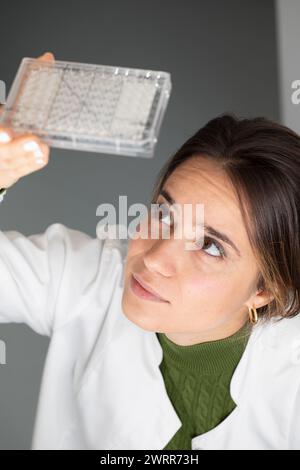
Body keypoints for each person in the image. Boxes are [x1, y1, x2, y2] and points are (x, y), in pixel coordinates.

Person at [0, 52, 299, 450]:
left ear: (265, 290)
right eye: (163, 213)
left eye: (210, 246)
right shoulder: (84, 277)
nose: (154, 258)